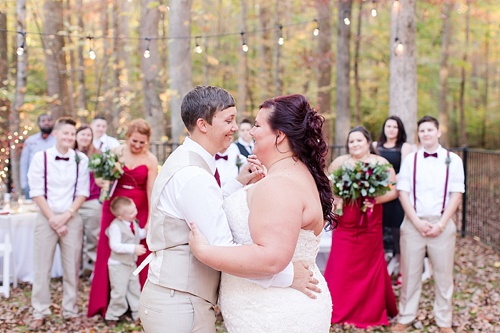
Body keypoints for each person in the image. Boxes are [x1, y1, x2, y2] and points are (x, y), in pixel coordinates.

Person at [138, 86, 319, 333]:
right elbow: (221, 247)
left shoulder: (190, 162)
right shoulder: (192, 175)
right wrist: (288, 277)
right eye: (229, 120)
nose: (237, 128)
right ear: (203, 124)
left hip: (185, 297)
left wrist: (238, 182)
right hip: (179, 301)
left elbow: (206, 208)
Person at [188, 94, 335, 333]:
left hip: (275, 315)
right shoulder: (291, 173)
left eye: (257, 125)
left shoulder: (279, 184)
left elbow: (271, 259)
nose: (250, 132)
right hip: (269, 309)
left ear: (280, 135)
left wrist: (206, 252)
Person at [391, 116, 464, 333]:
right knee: (410, 274)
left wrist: (441, 224)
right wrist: (416, 221)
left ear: (438, 132)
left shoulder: (454, 160)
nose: (426, 134)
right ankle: (405, 316)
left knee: (443, 276)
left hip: (441, 223)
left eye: (430, 130)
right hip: (414, 223)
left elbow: (456, 194)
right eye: (422, 130)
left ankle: (444, 322)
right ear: (418, 134)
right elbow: (403, 192)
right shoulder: (411, 159)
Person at [324, 125, 399, 328]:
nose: (355, 144)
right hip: (346, 222)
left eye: (359, 140)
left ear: (368, 142)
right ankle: (337, 307)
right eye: (351, 141)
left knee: (370, 265)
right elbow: (327, 188)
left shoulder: (381, 163)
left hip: (370, 221)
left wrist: (375, 199)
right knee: (341, 265)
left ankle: (369, 310)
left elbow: (393, 191)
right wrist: (336, 199)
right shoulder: (340, 163)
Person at [87, 119, 158, 318]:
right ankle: (107, 303)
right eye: (134, 141)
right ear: (127, 137)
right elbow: (101, 178)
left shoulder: (151, 159)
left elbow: (151, 190)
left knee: (140, 253)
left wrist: (150, 219)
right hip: (114, 207)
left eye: (141, 142)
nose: (137, 145)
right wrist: (103, 180)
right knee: (108, 251)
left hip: (139, 209)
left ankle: (138, 305)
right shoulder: (116, 152)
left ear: (148, 141)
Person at [27, 117, 90, 330]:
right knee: (41, 267)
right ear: (56, 134)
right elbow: (36, 191)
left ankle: (70, 309)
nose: (69, 137)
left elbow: (83, 192)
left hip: (71, 218)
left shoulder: (81, 159)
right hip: (46, 217)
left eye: (72, 134)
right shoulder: (40, 157)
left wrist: (66, 216)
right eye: (66, 133)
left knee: (71, 268)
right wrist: (53, 219)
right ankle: (40, 310)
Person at [373, 116, 412, 277]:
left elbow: (405, 171)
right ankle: (380, 269)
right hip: (377, 195)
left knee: (396, 231)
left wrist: (391, 185)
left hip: (395, 193)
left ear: (399, 129)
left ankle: (401, 271)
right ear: (384, 128)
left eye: (395, 127)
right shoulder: (375, 146)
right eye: (388, 126)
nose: (391, 129)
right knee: (379, 229)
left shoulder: (404, 147)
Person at [105, 196, 146, 324]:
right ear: (121, 217)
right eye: (131, 212)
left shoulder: (133, 222)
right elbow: (115, 245)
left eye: (135, 210)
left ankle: (137, 314)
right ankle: (112, 315)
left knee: (134, 288)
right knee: (119, 290)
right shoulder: (115, 227)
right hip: (118, 265)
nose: (135, 213)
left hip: (130, 264)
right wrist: (133, 248)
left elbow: (139, 234)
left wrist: (147, 230)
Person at [74, 125, 103, 273]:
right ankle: (75, 269)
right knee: (74, 239)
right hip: (72, 203)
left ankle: (92, 270)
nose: (85, 137)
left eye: (88, 135)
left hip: (92, 201)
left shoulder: (97, 155)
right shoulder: (69, 154)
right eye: (82, 134)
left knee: (93, 237)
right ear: (76, 136)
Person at [20, 114, 56, 199]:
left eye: (49, 120)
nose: (46, 123)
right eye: (43, 120)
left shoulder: (58, 140)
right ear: (39, 123)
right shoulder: (30, 141)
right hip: (33, 183)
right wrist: (24, 184)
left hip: (54, 184)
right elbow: (24, 162)